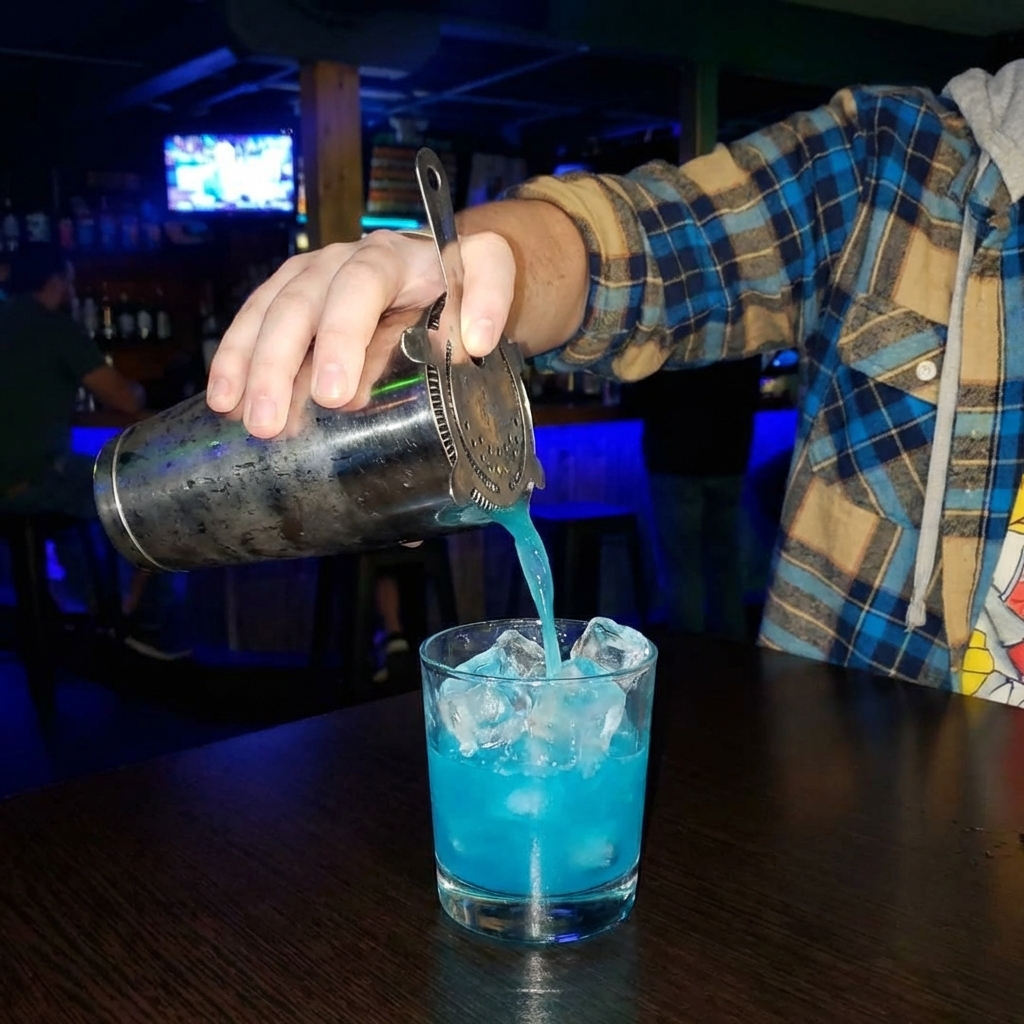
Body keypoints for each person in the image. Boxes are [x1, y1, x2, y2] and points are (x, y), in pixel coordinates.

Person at [205, 60, 1024, 707]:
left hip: (692, 463)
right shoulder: (904, 165)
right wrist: (471, 271)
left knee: (698, 575)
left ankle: (714, 679)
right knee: (705, 576)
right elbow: (646, 245)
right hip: (867, 811)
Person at [0, 243, 182, 660]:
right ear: (56, 280)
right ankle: (145, 622)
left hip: (19, 481)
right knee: (152, 490)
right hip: (32, 478)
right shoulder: (52, 326)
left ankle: (105, 613)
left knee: (75, 508)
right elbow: (124, 400)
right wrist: (139, 391)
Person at [622, 357, 763, 640]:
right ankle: (734, 656)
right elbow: (751, 391)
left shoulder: (672, 335)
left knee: (681, 568)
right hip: (730, 456)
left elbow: (638, 396)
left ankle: (690, 656)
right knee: (725, 564)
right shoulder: (739, 335)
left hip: (675, 456)